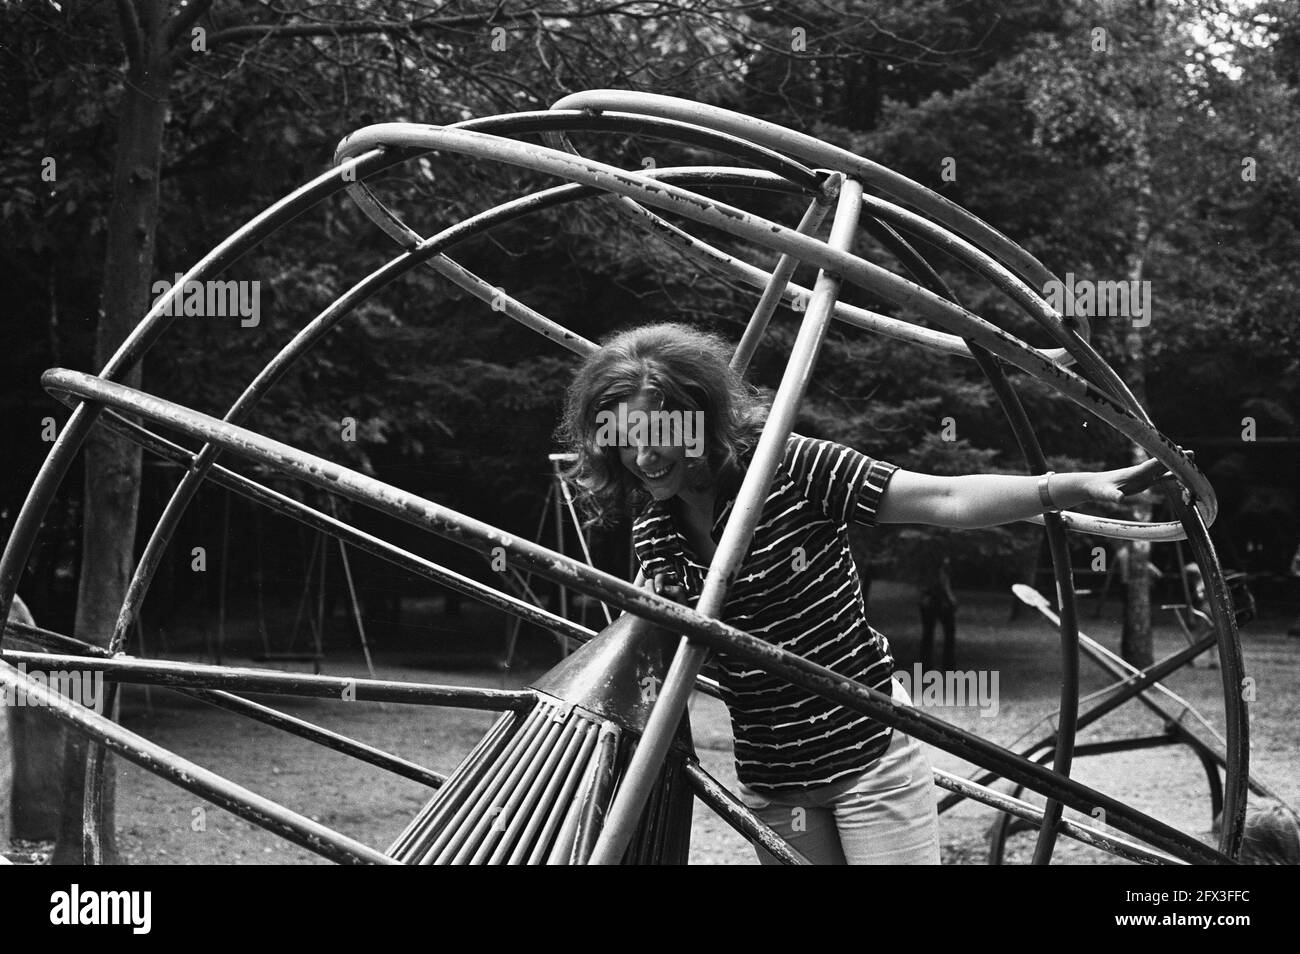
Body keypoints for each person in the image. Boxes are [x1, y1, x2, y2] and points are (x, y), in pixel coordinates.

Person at [557, 322, 1173, 865]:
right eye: (623, 437)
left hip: (868, 753)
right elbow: (663, 655)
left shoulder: (791, 467)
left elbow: (943, 499)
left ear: (699, 415)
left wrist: (1074, 486)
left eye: (658, 432)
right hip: (774, 782)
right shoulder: (653, 527)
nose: (641, 455)